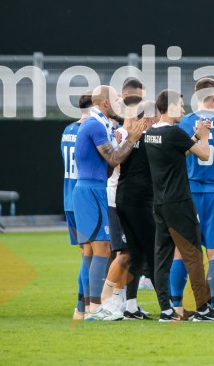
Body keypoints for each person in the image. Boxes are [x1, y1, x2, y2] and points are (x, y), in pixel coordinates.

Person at [144, 89, 214, 322]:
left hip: (160, 203)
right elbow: (204, 156)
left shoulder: (150, 133)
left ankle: (165, 309)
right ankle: (204, 308)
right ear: (172, 107)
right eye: (182, 106)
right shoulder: (174, 132)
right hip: (180, 203)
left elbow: (178, 153)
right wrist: (204, 136)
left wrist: (193, 137)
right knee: (193, 255)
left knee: (162, 256)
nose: (184, 110)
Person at [73, 86, 145, 320]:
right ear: (105, 103)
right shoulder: (95, 125)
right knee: (101, 250)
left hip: (94, 188)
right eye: (116, 99)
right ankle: (95, 308)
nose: (119, 103)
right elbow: (114, 160)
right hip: (90, 190)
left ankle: (82, 309)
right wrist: (131, 139)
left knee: (92, 253)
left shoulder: (101, 124)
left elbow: (108, 164)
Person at [170, 78, 214, 312]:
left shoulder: (184, 122)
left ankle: (177, 305)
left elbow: (176, 157)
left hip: (188, 194)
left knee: (181, 251)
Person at [115, 98, 157, 320]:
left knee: (137, 255)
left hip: (123, 199)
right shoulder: (151, 138)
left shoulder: (129, 136)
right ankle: (169, 307)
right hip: (139, 202)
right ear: (150, 118)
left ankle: (130, 306)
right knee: (153, 253)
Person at [62, 93, 92, 319]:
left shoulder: (67, 130)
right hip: (84, 199)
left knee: (86, 254)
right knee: (91, 254)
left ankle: (84, 306)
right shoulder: (90, 130)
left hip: (68, 198)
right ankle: (83, 306)